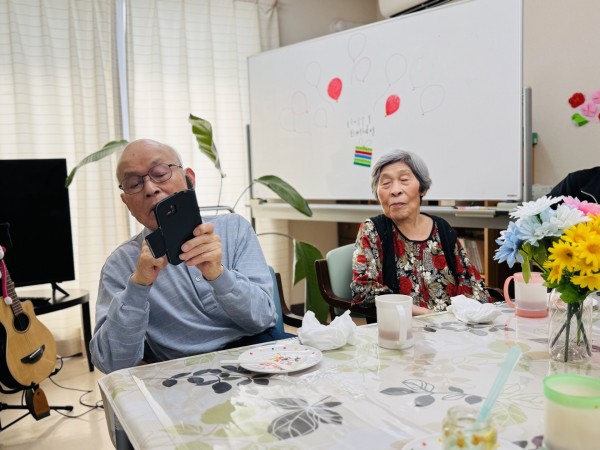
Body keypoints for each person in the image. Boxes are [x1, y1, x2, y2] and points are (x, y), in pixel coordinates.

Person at [90, 139, 288, 373]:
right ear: (126, 203)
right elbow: (111, 363)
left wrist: (219, 275)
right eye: (133, 184)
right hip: (188, 374)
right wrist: (138, 286)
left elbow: (263, 319)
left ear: (189, 180)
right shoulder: (120, 265)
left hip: (260, 354)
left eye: (160, 173)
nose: (150, 189)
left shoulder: (234, 229)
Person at [351, 149, 491, 315]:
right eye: (386, 183)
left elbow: (472, 284)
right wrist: (426, 315)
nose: (395, 190)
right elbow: (363, 291)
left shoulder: (442, 228)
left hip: (451, 324)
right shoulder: (373, 230)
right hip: (402, 327)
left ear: (422, 188)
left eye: (404, 180)